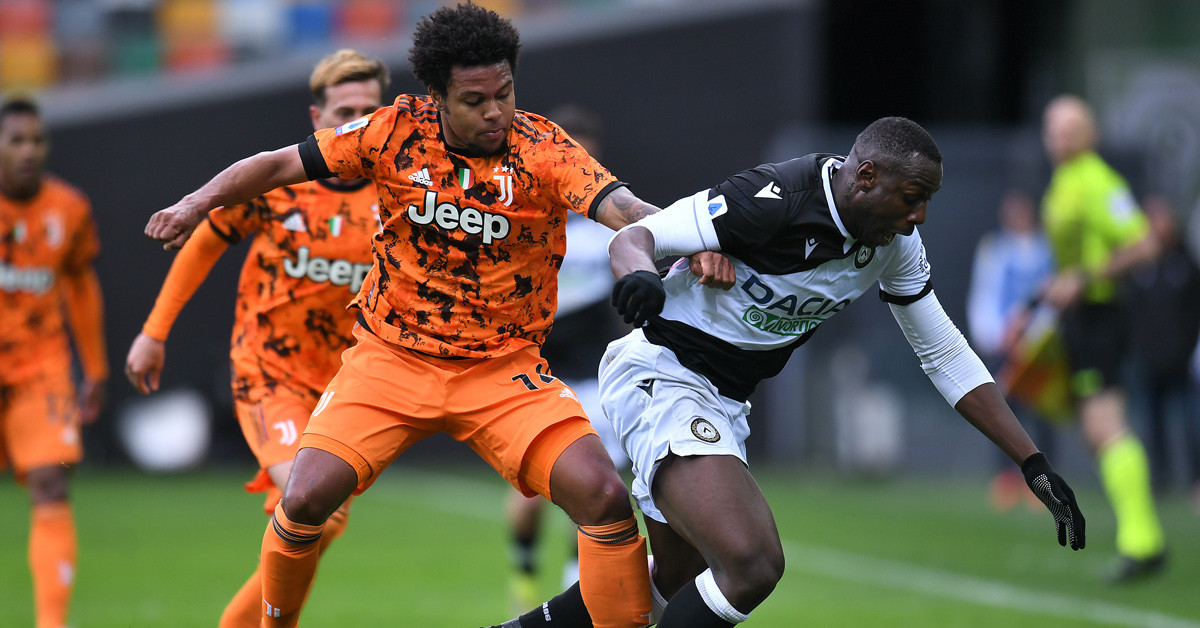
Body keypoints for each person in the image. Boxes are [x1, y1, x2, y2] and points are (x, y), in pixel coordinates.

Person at [142, 5, 731, 627]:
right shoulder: (394, 131)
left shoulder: (544, 147)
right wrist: (196, 203)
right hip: (390, 360)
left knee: (604, 497)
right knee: (305, 499)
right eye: (475, 100)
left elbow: (625, 208)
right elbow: (277, 165)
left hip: (502, 370)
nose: (495, 111)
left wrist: (691, 240)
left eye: (504, 93)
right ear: (438, 98)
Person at [493, 116, 1085, 628]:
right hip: (664, 372)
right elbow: (637, 235)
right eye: (911, 197)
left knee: (672, 580)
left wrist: (1032, 462)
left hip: (725, 400)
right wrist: (642, 276)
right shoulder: (774, 196)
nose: (920, 216)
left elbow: (945, 355)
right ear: (866, 177)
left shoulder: (894, 246)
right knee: (752, 562)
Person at [124, 49, 388, 626]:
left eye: (369, 111)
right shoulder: (280, 183)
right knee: (310, 505)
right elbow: (205, 243)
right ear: (317, 117)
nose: (356, 124)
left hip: (348, 387)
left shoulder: (397, 195)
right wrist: (153, 332)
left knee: (322, 523)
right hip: (269, 371)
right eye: (344, 111)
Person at [503, 104, 632, 610]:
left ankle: (577, 596)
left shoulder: (609, 229)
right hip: (537, 376)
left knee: (600, 487)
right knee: (531, 494)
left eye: (587, 160)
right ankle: (523, 571)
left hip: (595, 376)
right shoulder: (522, 222)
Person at [1040, 95, 1165, 583]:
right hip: (1079, 318)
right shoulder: (1065, 180)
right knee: (1097, 431)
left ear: (1091, 134)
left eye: (1071, 128)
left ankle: (1143, 542)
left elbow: (1145, 244)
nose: (1061, 138)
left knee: (1105, 426)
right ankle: (1142, 538)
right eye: (1055, 129)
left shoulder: (1098, 180)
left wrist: (1085, 278)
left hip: (1101, 315)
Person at [0, 96, 108, 628]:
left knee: (50, 481)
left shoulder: (69, 208)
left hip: (40, 367)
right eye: (16, 140)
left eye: (37, 140)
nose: (29, 151)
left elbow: (80, 285)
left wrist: (97, 368)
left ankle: (50, 623)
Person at [965, 189, 1058, 511]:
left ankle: (1044, 481)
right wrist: (993, 335)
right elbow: (985, 293)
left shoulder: (1046, 251)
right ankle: (1007, 477)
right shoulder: (994, 250)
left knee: (1041, 411)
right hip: (1004, 343)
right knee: (1001, 410)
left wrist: (1038, 334)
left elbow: (1052, 296)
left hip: (1038, 345)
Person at [1125, 195, 1200, 500]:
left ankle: (1195, 480)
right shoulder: (1138, 267)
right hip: (1149, 360)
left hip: (1182, 360)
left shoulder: (1185, 264)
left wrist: (1187, 349)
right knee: (1152, 425)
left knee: (1191, 423)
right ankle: (1160, 481)